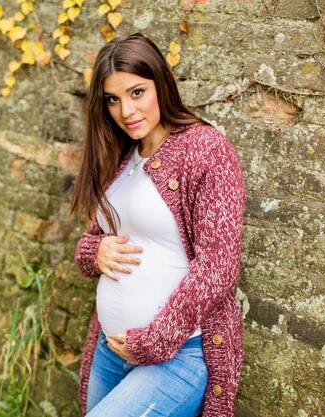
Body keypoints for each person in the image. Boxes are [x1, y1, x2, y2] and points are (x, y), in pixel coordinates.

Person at [69, 32, 247, 417]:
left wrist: (159, 338)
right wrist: (93, 251)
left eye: (136, 92)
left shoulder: (205, 149)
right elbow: (95, 242)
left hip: (180, 353)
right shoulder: (121, 153)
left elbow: (219, 265)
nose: (126, 111)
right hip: (110, 347)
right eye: (113, 100)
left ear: (161, 84)